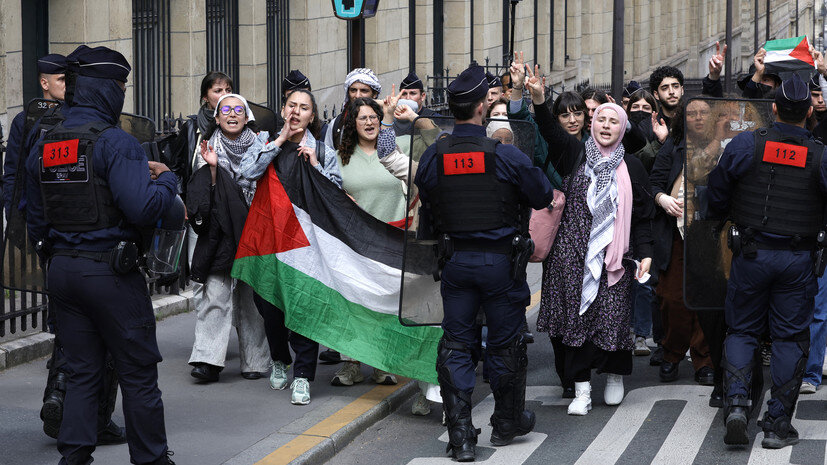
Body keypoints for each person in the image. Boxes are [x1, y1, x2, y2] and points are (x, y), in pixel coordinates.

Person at [25, 45, 176, 465]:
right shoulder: (116, 143)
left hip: (63, 272)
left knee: (81, 373)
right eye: (122, 85)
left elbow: (34, 217)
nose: (124, 92)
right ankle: (153, 460)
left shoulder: (47, 143)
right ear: (105, 89)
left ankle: (73, 457)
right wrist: (168, 183)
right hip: (111, 273)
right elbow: (143, 207)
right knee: (138, 373)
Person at [414, 64, 555, 461]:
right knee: (505, 344)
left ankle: (460, 435)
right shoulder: (504, 155)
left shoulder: (434, 156)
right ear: (481, 107)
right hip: (500, 266)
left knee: (457, 345)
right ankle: (506, 422)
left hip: (455, 264)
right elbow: (543, 195)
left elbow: (427, 200)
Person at [707, 74, 827, 448]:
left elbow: (716, 193)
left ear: (773, 108)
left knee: (741, 331)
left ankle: (738, 406)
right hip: (798, 259)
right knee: (790, 338)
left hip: (751, 254)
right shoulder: (821, 155)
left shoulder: (746, 144)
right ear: (809, 111)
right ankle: (776, 426)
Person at [533, 67, 655, 417]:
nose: (605, 125)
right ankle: (582, 390)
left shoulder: (632, 167)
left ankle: (615, 375)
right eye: (599, 119)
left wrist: (645, 253)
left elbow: (643, 217)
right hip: (573, 256)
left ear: (621, 128)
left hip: (615, 259)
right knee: (577, 321)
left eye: (612, 121)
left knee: (613, 319)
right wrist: (539, 98)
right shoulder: (575, 154)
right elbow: (549, 130)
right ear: (591, 125)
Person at [240, 88, 341, 405]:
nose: (297, 111)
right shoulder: (266, 144)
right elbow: (247, 172)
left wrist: (316, 167)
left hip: (306, 246)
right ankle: (280, 359)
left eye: (304, 107)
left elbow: (335, 196)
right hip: (268, 245)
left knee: (305, 308)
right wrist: (279, 142)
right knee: (269, 307)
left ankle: (303, 377)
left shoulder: (322, 151)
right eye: (292, 106)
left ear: (312, 116)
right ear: (284, 111)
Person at [186, 93, 271, 383]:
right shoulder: (206, 146)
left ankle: (256, 361)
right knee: (216, 293)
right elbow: (200, 193)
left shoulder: (264, 145)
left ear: (247, 116)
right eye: (225, 110)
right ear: (217, 117)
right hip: (218, 232)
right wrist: (211, 167)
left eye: (238, 109)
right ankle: (207, 360)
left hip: (254, 229)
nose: (232, 114)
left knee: (250, 299)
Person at [650, 98, 716, 386]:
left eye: (704, 113)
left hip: (709, 234)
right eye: (692, 113)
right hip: (674, 232)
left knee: (706, 298)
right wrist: (662, 198)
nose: (699, 118)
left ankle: (704, 360)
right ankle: (672, 354)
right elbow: (653, 183)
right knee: (672, 297)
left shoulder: (724, 147)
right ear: (683, 119)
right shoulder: (672, 146)